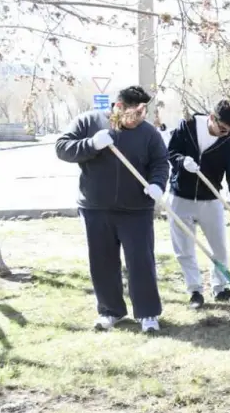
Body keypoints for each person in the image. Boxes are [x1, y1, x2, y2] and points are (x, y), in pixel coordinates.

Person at [55, 86, 169, 333]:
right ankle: (110, 311)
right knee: (102, 261)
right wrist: (91, 144)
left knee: (141, 261)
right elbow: (62, 148)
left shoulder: (148, 133)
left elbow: (161, 162)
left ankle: (148, 313)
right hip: (96, 207)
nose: (140, 118)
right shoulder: (89, 121)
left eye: (143, 113)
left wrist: (158, 184)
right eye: (135, 113)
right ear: (118, 107)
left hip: (136, 209)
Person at [166, 100, 230, 309]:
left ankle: (220, 288)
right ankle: (195, 290)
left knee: (219, 248)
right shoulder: (186, 126)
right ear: (212, 117)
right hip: (180, 198)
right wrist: (182, 161)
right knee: (184, 249)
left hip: (210, 200)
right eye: (222, 129)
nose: (225, 134)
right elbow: (170, 152)